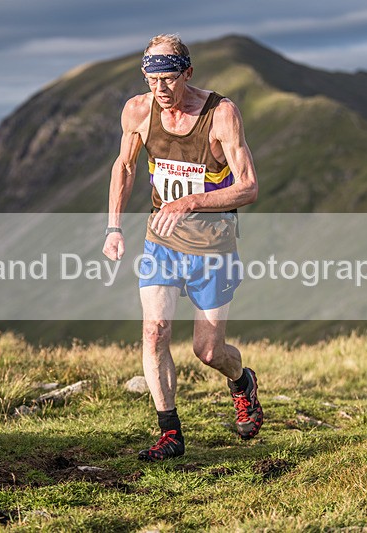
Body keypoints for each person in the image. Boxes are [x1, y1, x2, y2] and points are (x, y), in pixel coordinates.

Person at [102, 34, 262, 461]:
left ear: (188, 73)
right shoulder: (138, 110)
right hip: (163, 242)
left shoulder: (221, 114)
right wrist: (113, 228)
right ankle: (169, 433)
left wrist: (191, 201)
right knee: (155, 332)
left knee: (208, 351)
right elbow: (125, 166)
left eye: (170, 79)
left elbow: (248, 187)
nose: (161, 90)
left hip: (213, 245)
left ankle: (242, 381)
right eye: (153, 80)